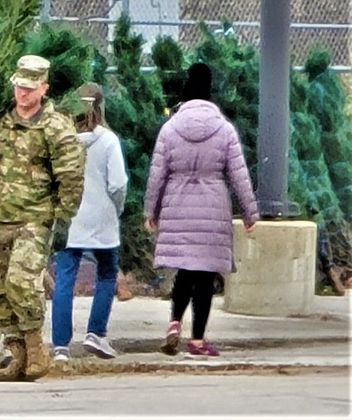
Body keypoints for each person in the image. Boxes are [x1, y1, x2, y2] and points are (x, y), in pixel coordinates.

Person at [0, 55, 85, 381]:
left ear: (43, 88)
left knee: (21, 283)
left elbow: (70, 176)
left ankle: (36, 347)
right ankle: (17, 353)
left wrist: (63, 217)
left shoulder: (55, 127)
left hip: (34, 218)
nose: (22, 94)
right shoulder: (0, 121)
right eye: (19, 87)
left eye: (29, 88)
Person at [143, 62, 258, 358]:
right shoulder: (224, 129)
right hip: (212, 205)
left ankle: (173, 323)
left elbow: (157, 173)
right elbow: (239, 175)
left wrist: (150, 211)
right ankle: (197, 341)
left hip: (177, 204)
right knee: (205, 276)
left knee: (184, 270)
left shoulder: (170, 129)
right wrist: (250, 213)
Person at [50, 82, 127, 362]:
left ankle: (60, 345)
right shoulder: (107, 140)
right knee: (107, 273)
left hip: (69, 218)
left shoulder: (63, 140)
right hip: (102, 217)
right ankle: (96, 332)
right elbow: (118, 184)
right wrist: (115, 210)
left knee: (64, 280)